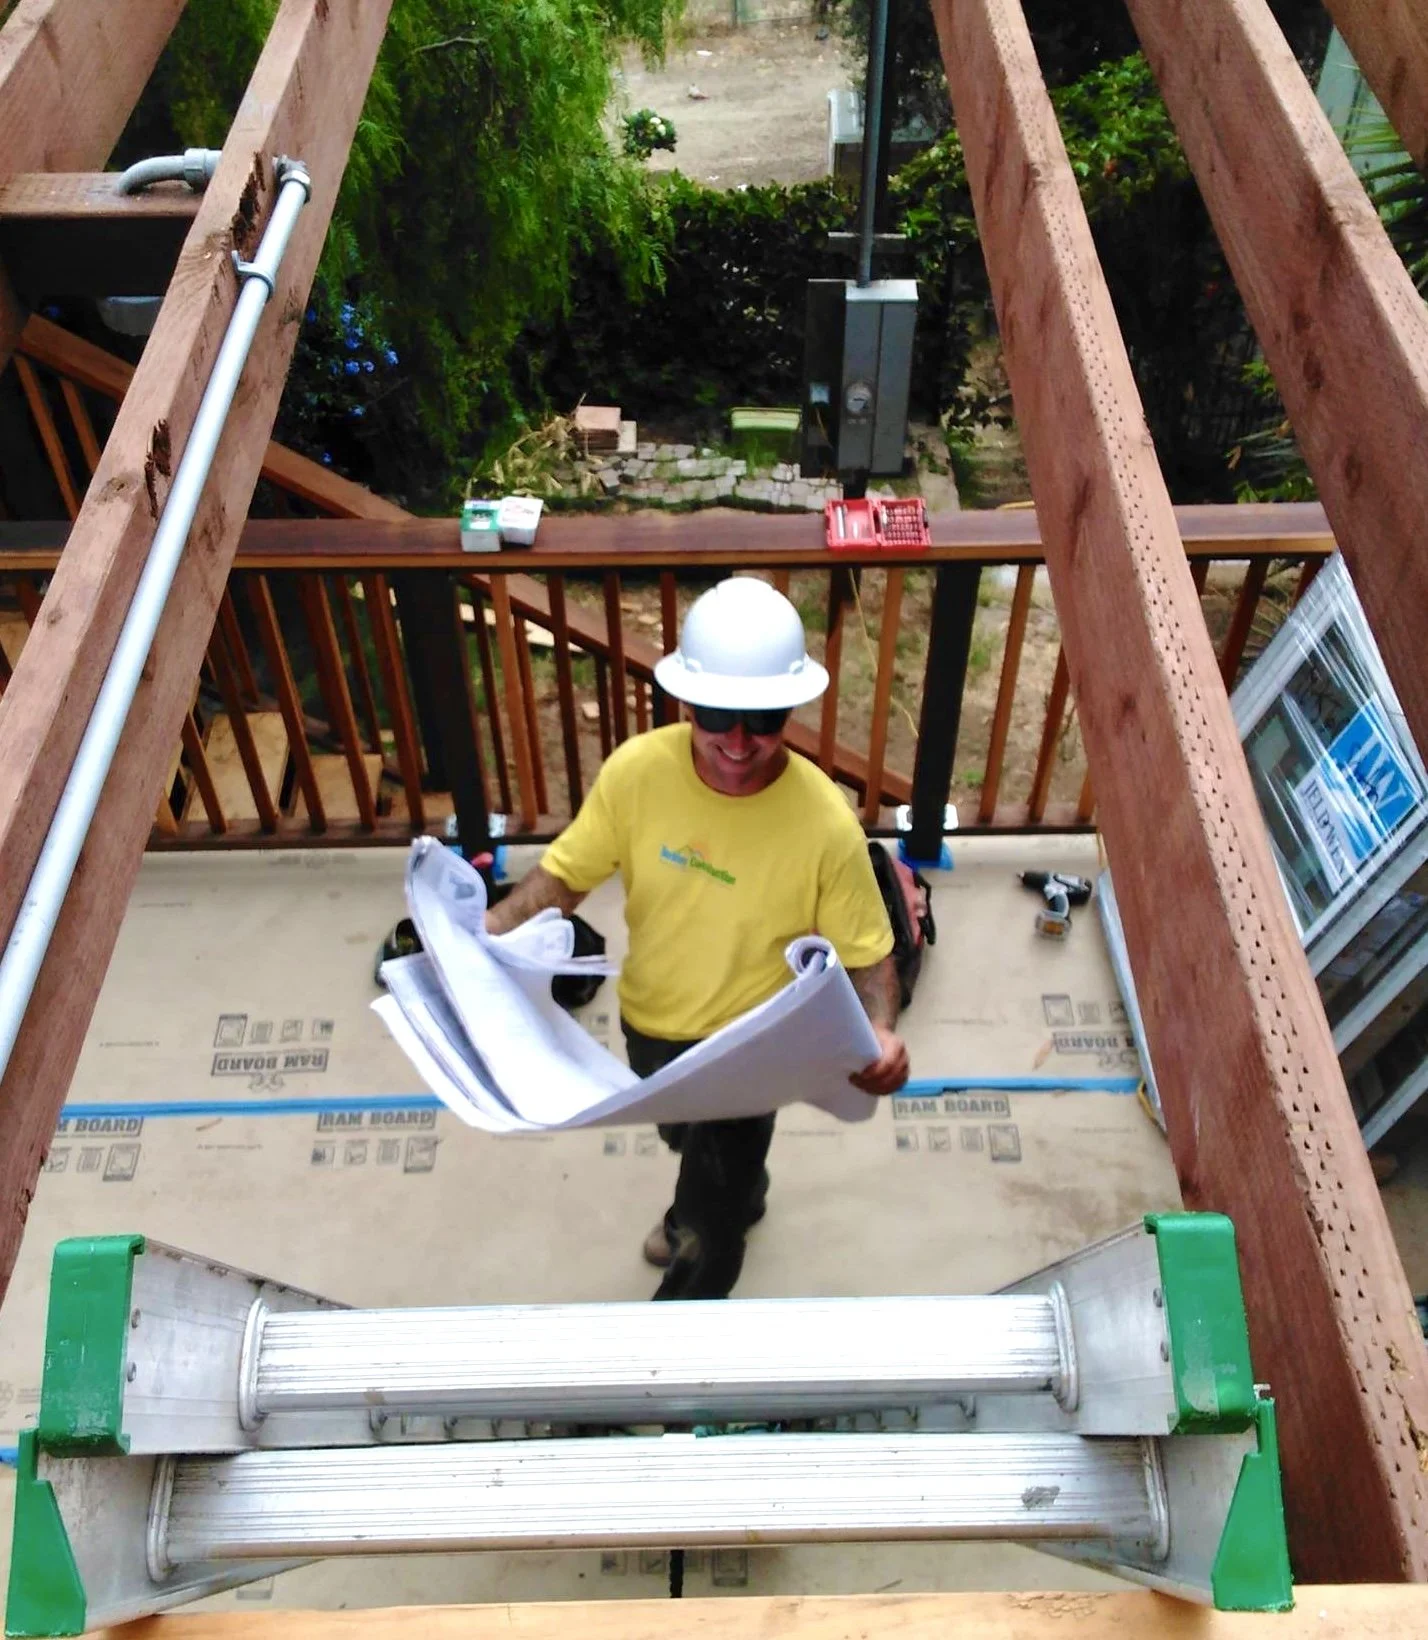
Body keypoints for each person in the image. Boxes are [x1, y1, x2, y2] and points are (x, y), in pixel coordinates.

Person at [484, 576, 910, 1298]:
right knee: (687, 1140)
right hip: (651, 1027)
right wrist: (488, 933)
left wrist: (881, 1029)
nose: (739, 743)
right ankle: (736, 1190)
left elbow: (868, 954)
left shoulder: (825, 824)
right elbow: (565, 877)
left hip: (753, 1049)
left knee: (711, 1233)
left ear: (791, 709)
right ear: (687, 702)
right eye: (717, 715)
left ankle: (674, 1335)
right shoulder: (636, 774)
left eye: (763, 719)